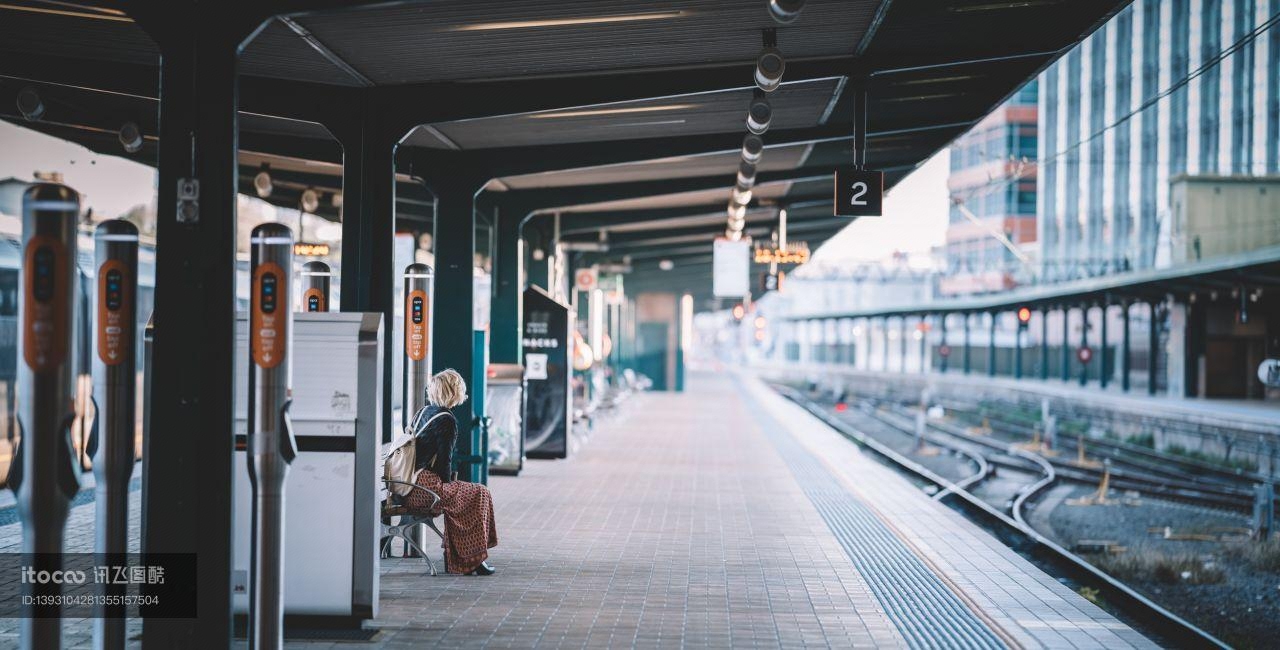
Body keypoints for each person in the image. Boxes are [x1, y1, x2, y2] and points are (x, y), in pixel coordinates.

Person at [404, 369, 498, 575]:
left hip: (408, 484)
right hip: (423, 487)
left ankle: (460, 559)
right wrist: (448, 483)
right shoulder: (446, 420)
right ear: (454, 391)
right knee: (479, 494)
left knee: (468, 495)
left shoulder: (423, 412)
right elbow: (444, 462)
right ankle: (471, 560)